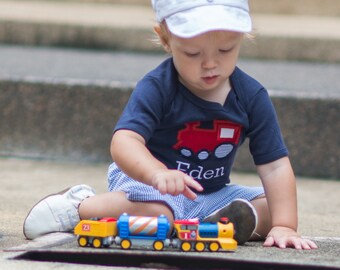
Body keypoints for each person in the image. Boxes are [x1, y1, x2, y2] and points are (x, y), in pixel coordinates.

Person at [23, 0, 317, 250]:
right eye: (193, 53)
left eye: (226, 50)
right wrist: (157, 173)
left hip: (211, 193)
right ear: (165, 38)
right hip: (146, 185)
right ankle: (79, 205)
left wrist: (284, 225)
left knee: (266, 205)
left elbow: (275, 166)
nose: (210, 64)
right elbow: (124, 141)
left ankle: (214, 220)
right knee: (159, 214)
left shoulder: (251, 96)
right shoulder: (158, 87)